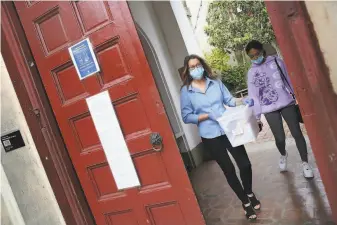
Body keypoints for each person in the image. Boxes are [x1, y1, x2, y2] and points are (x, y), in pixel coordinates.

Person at [180, 54, 260, 221]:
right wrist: (205, 116)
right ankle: (245, 202)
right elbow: (186, 116)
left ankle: (249, 191)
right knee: (229, 170)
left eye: (198, 65)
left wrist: (243, 100)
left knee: (245, 164)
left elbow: (229, 100)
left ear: (202, 65)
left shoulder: (215, 83)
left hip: (228, 129)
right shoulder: (186, 92)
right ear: (188, 70)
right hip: (210, 136)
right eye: (192, 67)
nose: (196, 69)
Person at [245, 40, 314, 179]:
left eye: (256, 54)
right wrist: (257, 116)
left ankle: (305, 163)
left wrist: (298, 98)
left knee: (296, 133)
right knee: (279, 138)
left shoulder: (277, 62)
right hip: (269, 109)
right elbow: (254, 95)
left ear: (262, 51)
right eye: (251, 56)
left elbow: (288, 79)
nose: (255, 58)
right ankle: (283, 154)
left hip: (286, 103)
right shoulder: (252, 72)